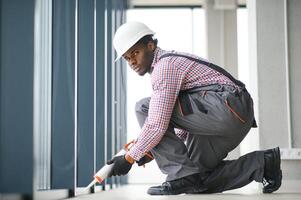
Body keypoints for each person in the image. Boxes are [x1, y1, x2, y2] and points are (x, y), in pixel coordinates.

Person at [106, 21, 282, 195]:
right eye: (128, 58)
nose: (133, 62)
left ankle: (179, 176)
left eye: (135, 53)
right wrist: (151, 150)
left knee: (144, 107)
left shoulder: (164, 67)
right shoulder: (167, 66)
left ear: (151, 46)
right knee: (195, 180)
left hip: (227, 108)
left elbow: (157, 123)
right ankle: (263, 163)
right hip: (228, 115)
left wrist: (129, 158)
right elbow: (186, 120)